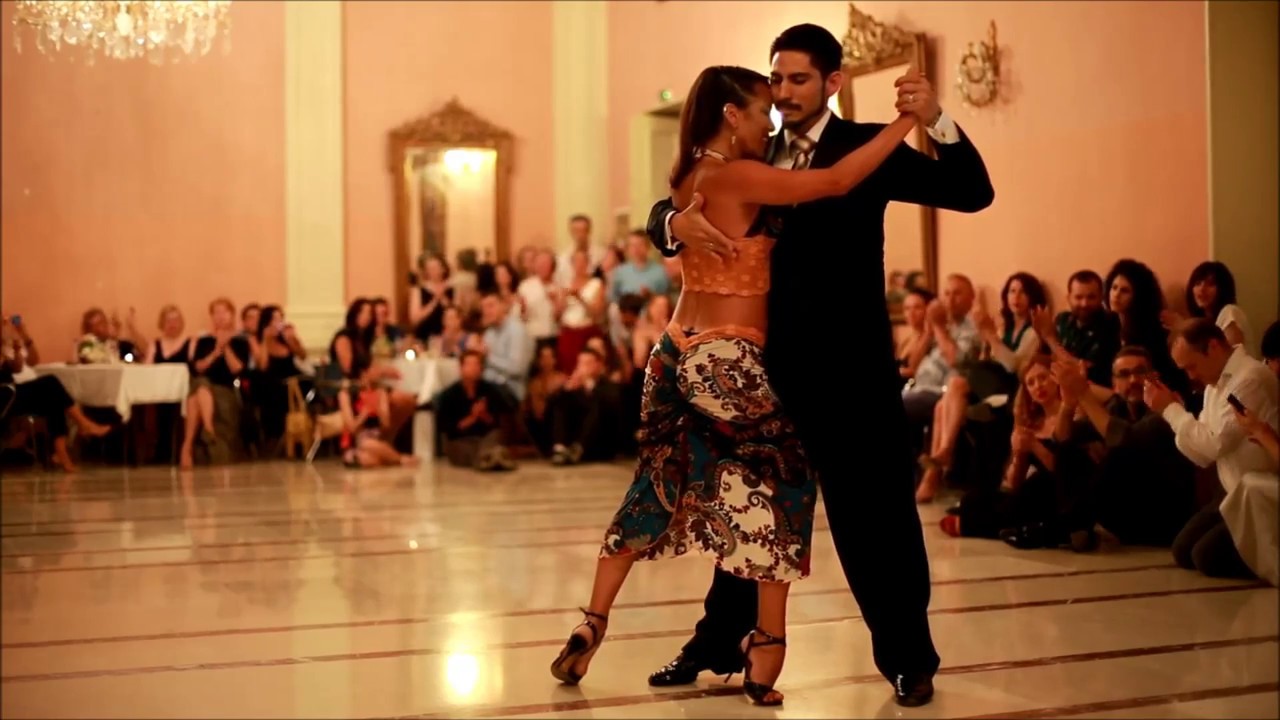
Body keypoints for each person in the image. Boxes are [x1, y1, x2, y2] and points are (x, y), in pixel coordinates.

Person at [549, 59, 920, 706]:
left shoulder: (690, 174)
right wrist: (907, 123)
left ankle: (593, 621)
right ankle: (766, 650)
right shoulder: (741, 173)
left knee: (659, 481)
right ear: (732, 114)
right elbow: (835, 179)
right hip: (726, 356)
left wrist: (666, 220)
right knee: (787, 480)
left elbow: (670, 215)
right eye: (759, 110)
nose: (768, 119)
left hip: (672, 354)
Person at [641, 24, 993, 707]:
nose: (783, 92)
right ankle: (718, 641)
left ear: (832, 82)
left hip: (854, 370)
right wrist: (666, 222)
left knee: (878, 518)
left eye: (798, 79)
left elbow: (973, 193)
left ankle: (908, 658)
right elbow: (688, 184)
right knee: (746, 508)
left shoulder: (865, 147)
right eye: (776, 80)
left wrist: (937, 119)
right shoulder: (754, 150)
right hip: (768, 369)